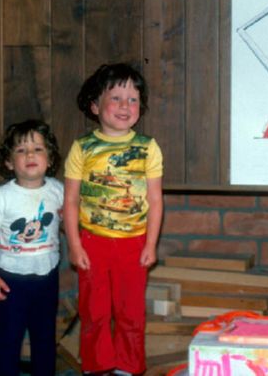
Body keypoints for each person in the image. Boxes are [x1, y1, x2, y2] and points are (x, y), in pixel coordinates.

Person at [63, 63, 163, 376]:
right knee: (94, 311)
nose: (125, 106)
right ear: (95, 105)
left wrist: (151, 244)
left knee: (130, 312)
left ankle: (129, 366)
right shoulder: (83, 147)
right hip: (92, 242)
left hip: (134, 243)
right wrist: (75, 245)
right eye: (116, 98)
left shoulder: (148, 148)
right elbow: (70, 200)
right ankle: (97, 366)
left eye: (132, 99)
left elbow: (156, 200)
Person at [0, 119, 64, 376]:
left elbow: (70, 226)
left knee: (45, 338)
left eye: (38, 149)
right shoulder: (2, 197)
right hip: (10, 281)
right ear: (9, 162)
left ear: (49, 159)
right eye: (21, 150)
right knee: (9, 339)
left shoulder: (58, 191)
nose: (29, 155)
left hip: (47, 279)